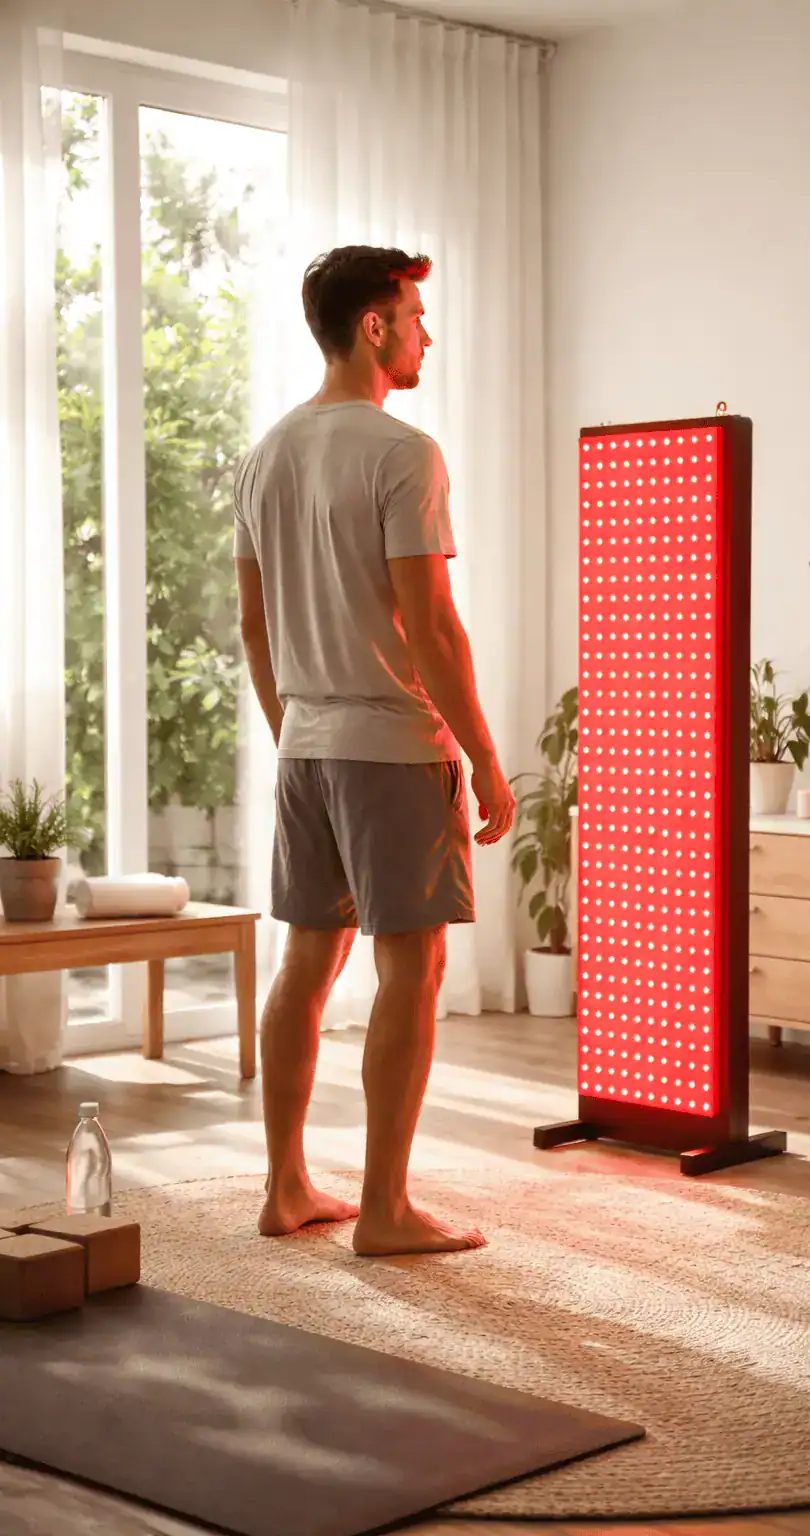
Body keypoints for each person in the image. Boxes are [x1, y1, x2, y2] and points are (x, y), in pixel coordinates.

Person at [233, 245, 515, 1257]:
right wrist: (483, 757)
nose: (426, 333)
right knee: (411, 969)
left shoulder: (267, 452)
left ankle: (286, 1188)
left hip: (306, 746)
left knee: (306, 962)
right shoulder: (403, 453)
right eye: (415, 314)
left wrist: (295, 731)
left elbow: (254, 626)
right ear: (374, 328)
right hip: (393, 750)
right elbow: (431, 625)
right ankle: (387, 1210)